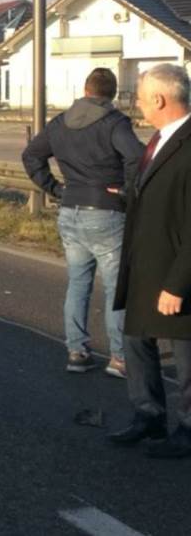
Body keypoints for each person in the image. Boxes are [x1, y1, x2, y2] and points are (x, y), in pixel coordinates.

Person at [22, 67, 144, 376]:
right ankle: (119, 358)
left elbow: (31, 155)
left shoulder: (60, 123)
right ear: (112, 94)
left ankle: (76, 352)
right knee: (117, 288)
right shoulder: (114, 123)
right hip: (107, 211)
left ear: (85, 89)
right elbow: (136, 156)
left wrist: (53, 188)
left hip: (70, 209)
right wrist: (128, 191)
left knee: (79, 283)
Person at [108, 64, 191, 458]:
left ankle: (189, 430)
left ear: (159, 99)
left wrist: (178, 284)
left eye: (140, 98)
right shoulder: (158, 140)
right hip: (145, 264)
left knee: (187, 353)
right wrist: (126, 194)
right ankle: (148, 414)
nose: (137, 105)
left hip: (176, 271)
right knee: (136, 337)